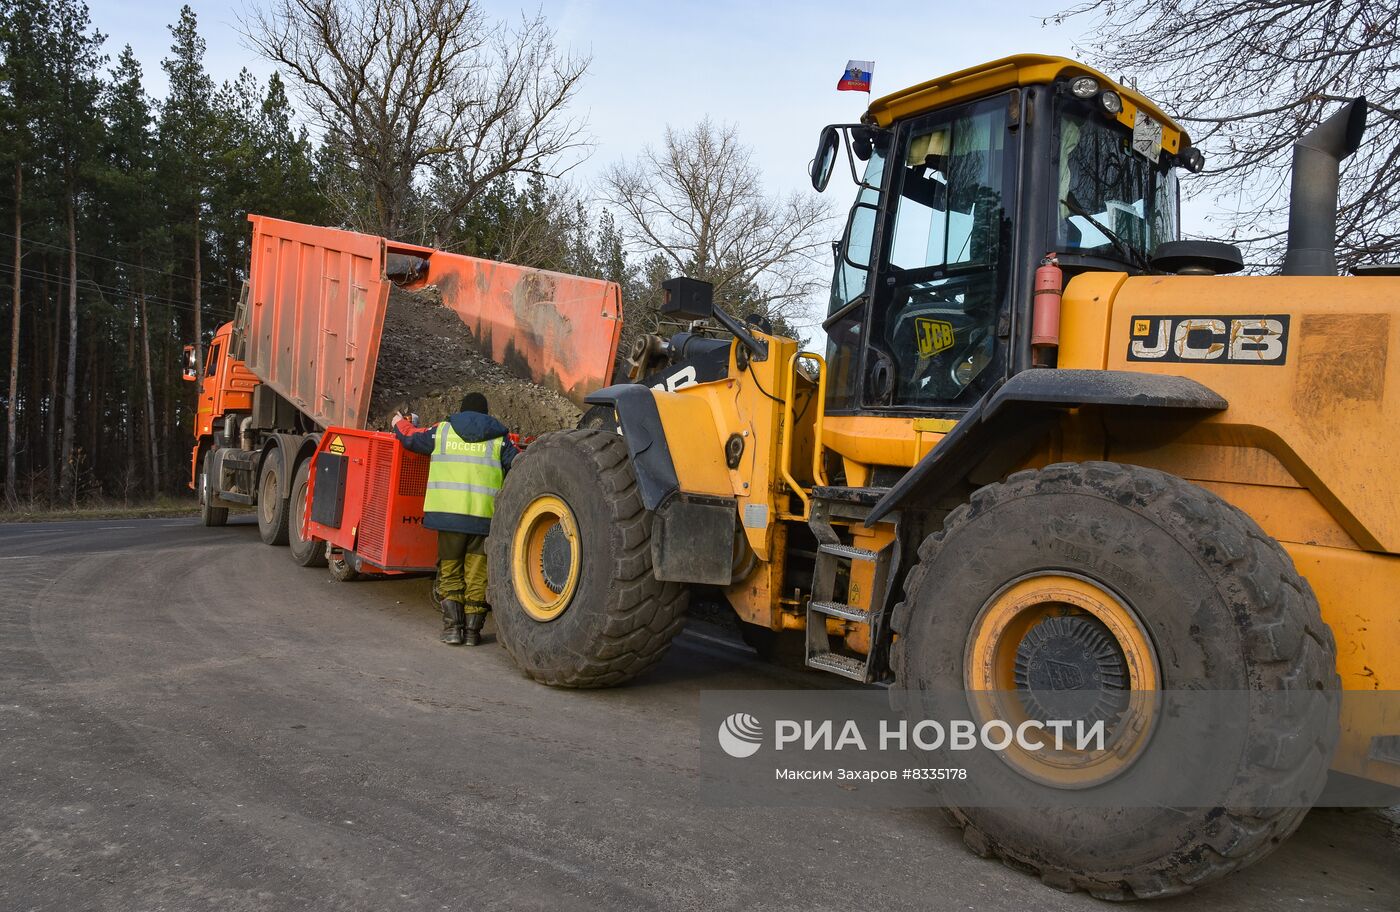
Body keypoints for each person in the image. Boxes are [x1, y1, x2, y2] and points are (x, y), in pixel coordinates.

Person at [392, 393, 517, 646]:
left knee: (450, 571)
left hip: (449, 518)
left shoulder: (443, 431)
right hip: (483, 519)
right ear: (485, 413)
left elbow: (411, 439)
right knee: (477, 575)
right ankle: (472, 633)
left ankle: (452, 629)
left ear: (462, 410)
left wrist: (398, 423)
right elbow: (518, 464)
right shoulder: (499, 438)